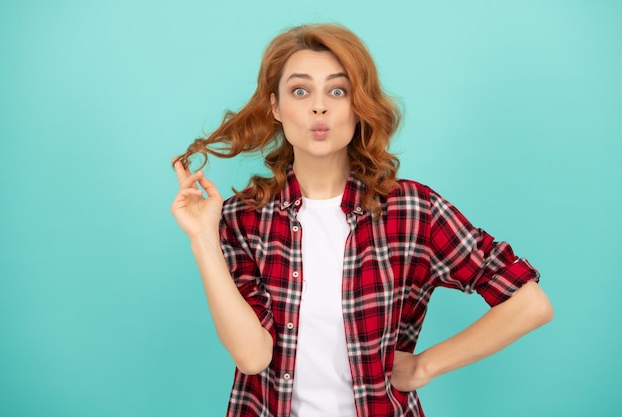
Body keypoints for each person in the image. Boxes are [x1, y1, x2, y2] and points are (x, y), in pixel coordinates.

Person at [170, 23, 553, 417]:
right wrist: (202, 237)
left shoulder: (410, 210)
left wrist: (426, 365)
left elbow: (530, 304)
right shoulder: (241, 219)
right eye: (300, 91)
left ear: (359, 106)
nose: (319, 107)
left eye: (338, 90)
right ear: (275, 107)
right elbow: (252, 357)